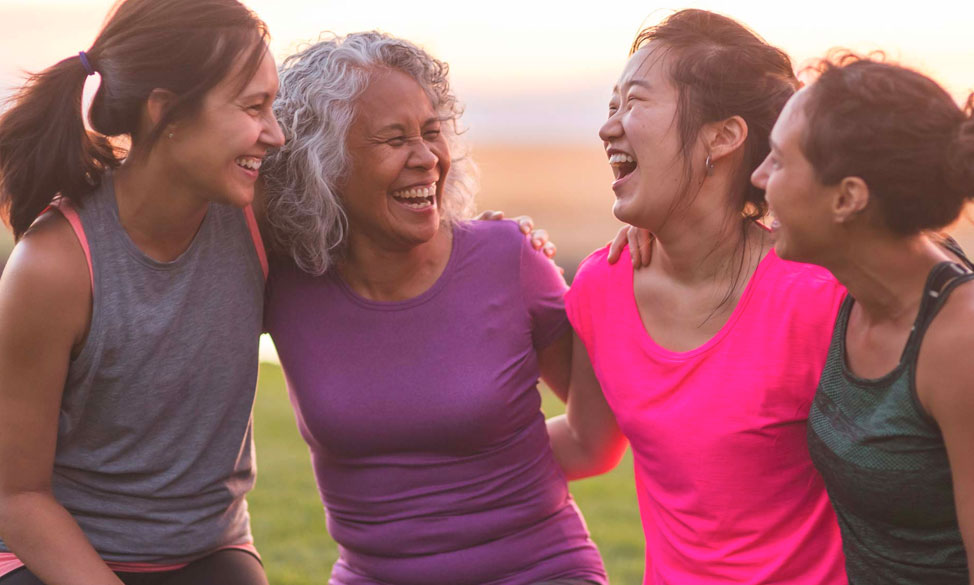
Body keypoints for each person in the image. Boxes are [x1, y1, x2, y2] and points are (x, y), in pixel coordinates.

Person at [262, 32, 606, 585]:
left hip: (536, 570)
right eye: (393, 139)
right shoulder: (284, 281)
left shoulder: (510, 258)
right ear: (322, 165)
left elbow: (597, 441)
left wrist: (491, 479)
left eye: (431, 132)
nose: (426, 159)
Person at [546, 10, 848, 584]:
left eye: (633, 103)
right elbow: (588, 441)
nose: (608, 128)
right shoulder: (601, 286)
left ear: (723, 136)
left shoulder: (817, 298)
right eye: (611, 108)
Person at [0, 1, 284, 583]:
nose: (275, 134)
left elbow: (383, 265)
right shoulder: (54, 265)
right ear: (164, 113)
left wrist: (497, 245)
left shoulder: (261, 220)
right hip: (51, 556)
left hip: (211, 553)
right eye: (254, 107)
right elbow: (15, 494)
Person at [750, 54, 974, 584]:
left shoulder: (971, 344)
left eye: (777, 159)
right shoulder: (862, 282)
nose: (758, 176)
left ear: (847, 199)